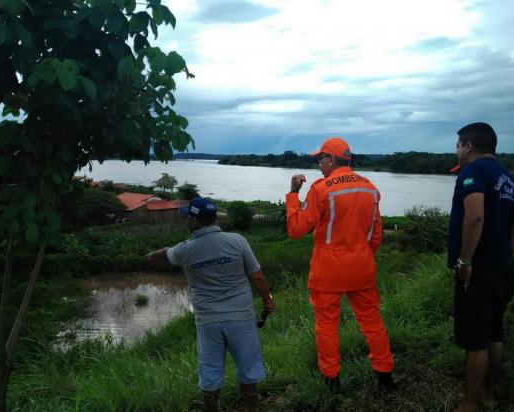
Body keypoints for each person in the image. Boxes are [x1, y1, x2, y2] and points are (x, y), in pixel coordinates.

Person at [285, 137, 396, 392]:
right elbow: (376, 235)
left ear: (331, 159)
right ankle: (385, 377)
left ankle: (332, 381)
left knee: (327, 326)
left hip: (327, 271)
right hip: (361, 267)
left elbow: (295, 229)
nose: (318, 164)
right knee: (372, 322)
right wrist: (362, 256)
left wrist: (292, 194)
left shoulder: (321, 189)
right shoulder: (370, 188)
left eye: (320, 159)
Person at [147, 197, 275, 412]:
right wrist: (267, 299)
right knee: (248, 368)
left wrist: (149, 256)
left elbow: (163, 254)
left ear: (195, 221)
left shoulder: (184, 250)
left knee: (210, 372)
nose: (187, 221)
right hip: (241, 318)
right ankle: (251, 409)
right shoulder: (237, 241)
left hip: (208, 322)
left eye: (189, 217)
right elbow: (257, 276)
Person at [447, 122, 514, 412]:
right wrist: (507, 253)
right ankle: (491, 394)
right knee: (494, 332)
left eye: (458, 145)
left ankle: (469, 403)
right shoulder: (509, 178)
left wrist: (465, 261)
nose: (456, 151)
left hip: (478, 269)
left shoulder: (473, 171)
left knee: (476, 339)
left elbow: (475, 217)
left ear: (468, 146)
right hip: (503, 267)